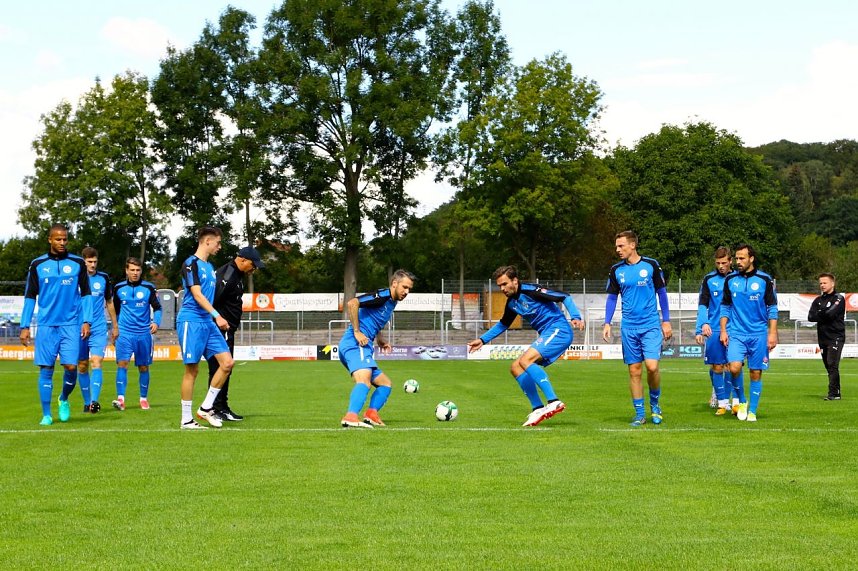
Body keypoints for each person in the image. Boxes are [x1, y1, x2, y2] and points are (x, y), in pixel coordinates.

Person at [467, 266, 584, 427]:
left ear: (515, 281)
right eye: (499, 285)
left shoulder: (531, 290)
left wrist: (576, 317)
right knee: (516, 367)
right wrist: (482, 340)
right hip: (547, 333)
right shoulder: (512, 303)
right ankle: (537, 407)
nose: (502, 289)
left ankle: (554, 401)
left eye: (504, 284)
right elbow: (503, 324)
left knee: (526, 360)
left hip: (559, 329)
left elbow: (564, 297)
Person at [19, 224, 93, 425]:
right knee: (46, 369)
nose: (62, 243)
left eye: (65, 239)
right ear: (49, 239)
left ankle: (63, 398)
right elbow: (29, 296)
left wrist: (86, 320)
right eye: (58, 239)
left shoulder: (77, 263)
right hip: (46, 325)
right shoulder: (37, 265)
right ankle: (47, 414)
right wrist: (24, 325)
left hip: (71, 324)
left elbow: (86, 293)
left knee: (71, 367)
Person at [602, 230, 672, 426]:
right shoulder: (616, 270)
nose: (617, 250)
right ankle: (640, 414)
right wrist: (607, 323)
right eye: (616, 246)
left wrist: (666, 320)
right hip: (629, 327)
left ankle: (655, 406)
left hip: (650, 325)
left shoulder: (651, 265)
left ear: (633, 245)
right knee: (634, 371)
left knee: (652, 366)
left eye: (621, 246)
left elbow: (662, 293)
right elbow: (612, 298)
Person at [338, 269, 415, 428]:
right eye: (404, 287)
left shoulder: (392, 302)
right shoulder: (383, 295)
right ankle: (351, 416)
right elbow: (353, 303)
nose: (406, 292)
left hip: (364, 346)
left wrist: (380, 340)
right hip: (355, 343)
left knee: (385, 383)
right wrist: (357, 332)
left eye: (409, 289)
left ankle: (371, 414)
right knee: (364, 381)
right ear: (395, 283)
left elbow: (375, 321)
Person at [175, 226, 235, 429]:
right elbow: (197, 294)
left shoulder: (210, 267)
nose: (219, 246)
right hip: (191, 321)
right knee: (192, 370)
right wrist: (218, 316)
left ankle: (205, 408)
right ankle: (186, 419)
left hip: (207, 322)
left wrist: (214, 317)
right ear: (206, 241)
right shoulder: (190, 264)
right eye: (218, 243)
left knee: (227, 363)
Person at [719, 244, 778, 422]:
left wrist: (772, 333)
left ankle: (752, 410)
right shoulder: (730, 280)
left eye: (742, 258)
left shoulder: (764, 279)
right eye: (737, 258)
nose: (738, 262)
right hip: (736, 332)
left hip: (758, 333)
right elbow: (725, 306)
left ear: (751, 259)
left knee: (755, 372)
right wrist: (723, 330)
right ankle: (742, 401)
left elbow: (772, 308)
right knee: (734, 367)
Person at [205, 246, 265, 421]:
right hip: (220, 329)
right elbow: (211, 300)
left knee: (226, 369)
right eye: (253, 265)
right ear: (243, 260)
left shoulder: (236, 274)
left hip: (228, 329)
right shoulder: (227, 275)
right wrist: (218, 320)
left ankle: (221, 407)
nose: (254, 269)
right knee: (220, 368)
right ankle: (214, 408)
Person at [695, 246, 745, 416]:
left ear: (730, 261)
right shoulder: (709, 279)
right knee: (717, 366)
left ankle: (736, 402)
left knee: (734, 366)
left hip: (736, 328)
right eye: (718, 263)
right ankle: (722, 402)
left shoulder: (739, 278)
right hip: (715, 329)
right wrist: (702, 325)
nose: (721, 266)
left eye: (724, 262)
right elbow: (703, 304)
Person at [111, 257, 163, 411]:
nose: (135, 273)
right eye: (132, 270)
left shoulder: (149, 288)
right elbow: (115, 310)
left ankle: (143, 399)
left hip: (143, 334)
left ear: (141, 271)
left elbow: (158, 308)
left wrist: (156, 322)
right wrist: (115, 328)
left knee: (143, 367)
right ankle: (121, 399)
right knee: (122, 363)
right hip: (124, 333)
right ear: (126, 270)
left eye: (138, 270)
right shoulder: (118, 288)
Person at [77, 247, 118, 414]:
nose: (93, 265)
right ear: (83, 262)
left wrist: (115, 325)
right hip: (79, 327)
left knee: (96, 362)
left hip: (99, 327)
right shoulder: (76, 279)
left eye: (95, 262)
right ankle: (87, 402)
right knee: (82, 366)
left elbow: (109, 302)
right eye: (89, 262)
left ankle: (94, 402)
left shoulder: (103, 278)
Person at [807, 273, 845, 400]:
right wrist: (823, 314)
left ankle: (833, 394)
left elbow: (830, 314)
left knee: (832, 363)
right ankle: (837, 392)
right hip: (822, 337)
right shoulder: (818, 300)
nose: (822, 285)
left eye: (825, 283)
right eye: (820, 283)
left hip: (836, 337)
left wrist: (820, 313)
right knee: (828, 366)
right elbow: (810, 317)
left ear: (832, 284)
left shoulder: (838, 298)